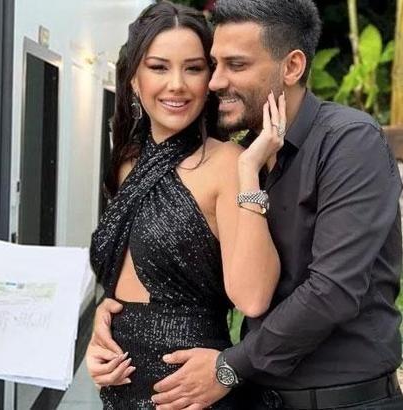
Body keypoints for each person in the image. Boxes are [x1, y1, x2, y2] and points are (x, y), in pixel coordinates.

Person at [93, 0, 403, 409]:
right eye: (214, 64)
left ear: (292, 67)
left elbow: (333, 290)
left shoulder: (348, 142)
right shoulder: (252, 153)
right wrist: (111, 316)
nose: (215, 82)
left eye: (235, 65)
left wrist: (229, 367)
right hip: (257, 396)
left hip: (342, 400)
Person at [86, 1, 286, 408]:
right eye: (159, 67)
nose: (177, 84)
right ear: (134, 79)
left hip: (192, 394)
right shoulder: (126, 162)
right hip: (121, 391)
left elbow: (252, 298)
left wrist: (249, 171)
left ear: (209, 79)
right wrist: (100, 325)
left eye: (193, 69)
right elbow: (124, 284)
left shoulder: (227, 164)